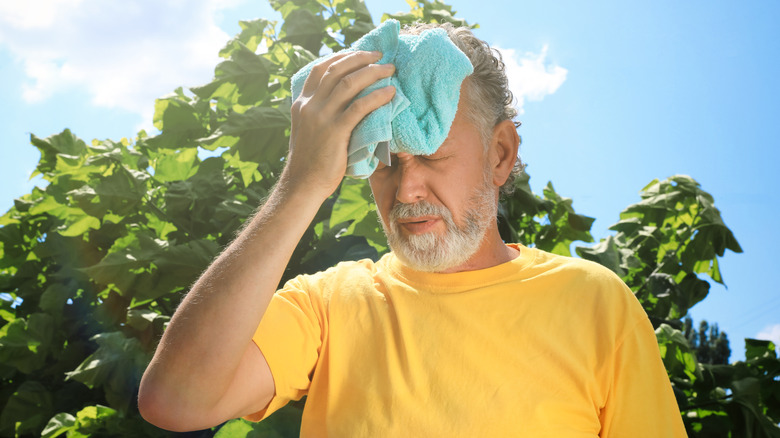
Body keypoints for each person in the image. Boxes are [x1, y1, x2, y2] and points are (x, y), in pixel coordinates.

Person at [138, 23, 687, 436]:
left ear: (500, 154)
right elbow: (177, 401)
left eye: (431, 156)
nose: (406, 190)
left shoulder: (593, 302)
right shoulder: (328, 303)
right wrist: (300, 183)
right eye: (384, 161)